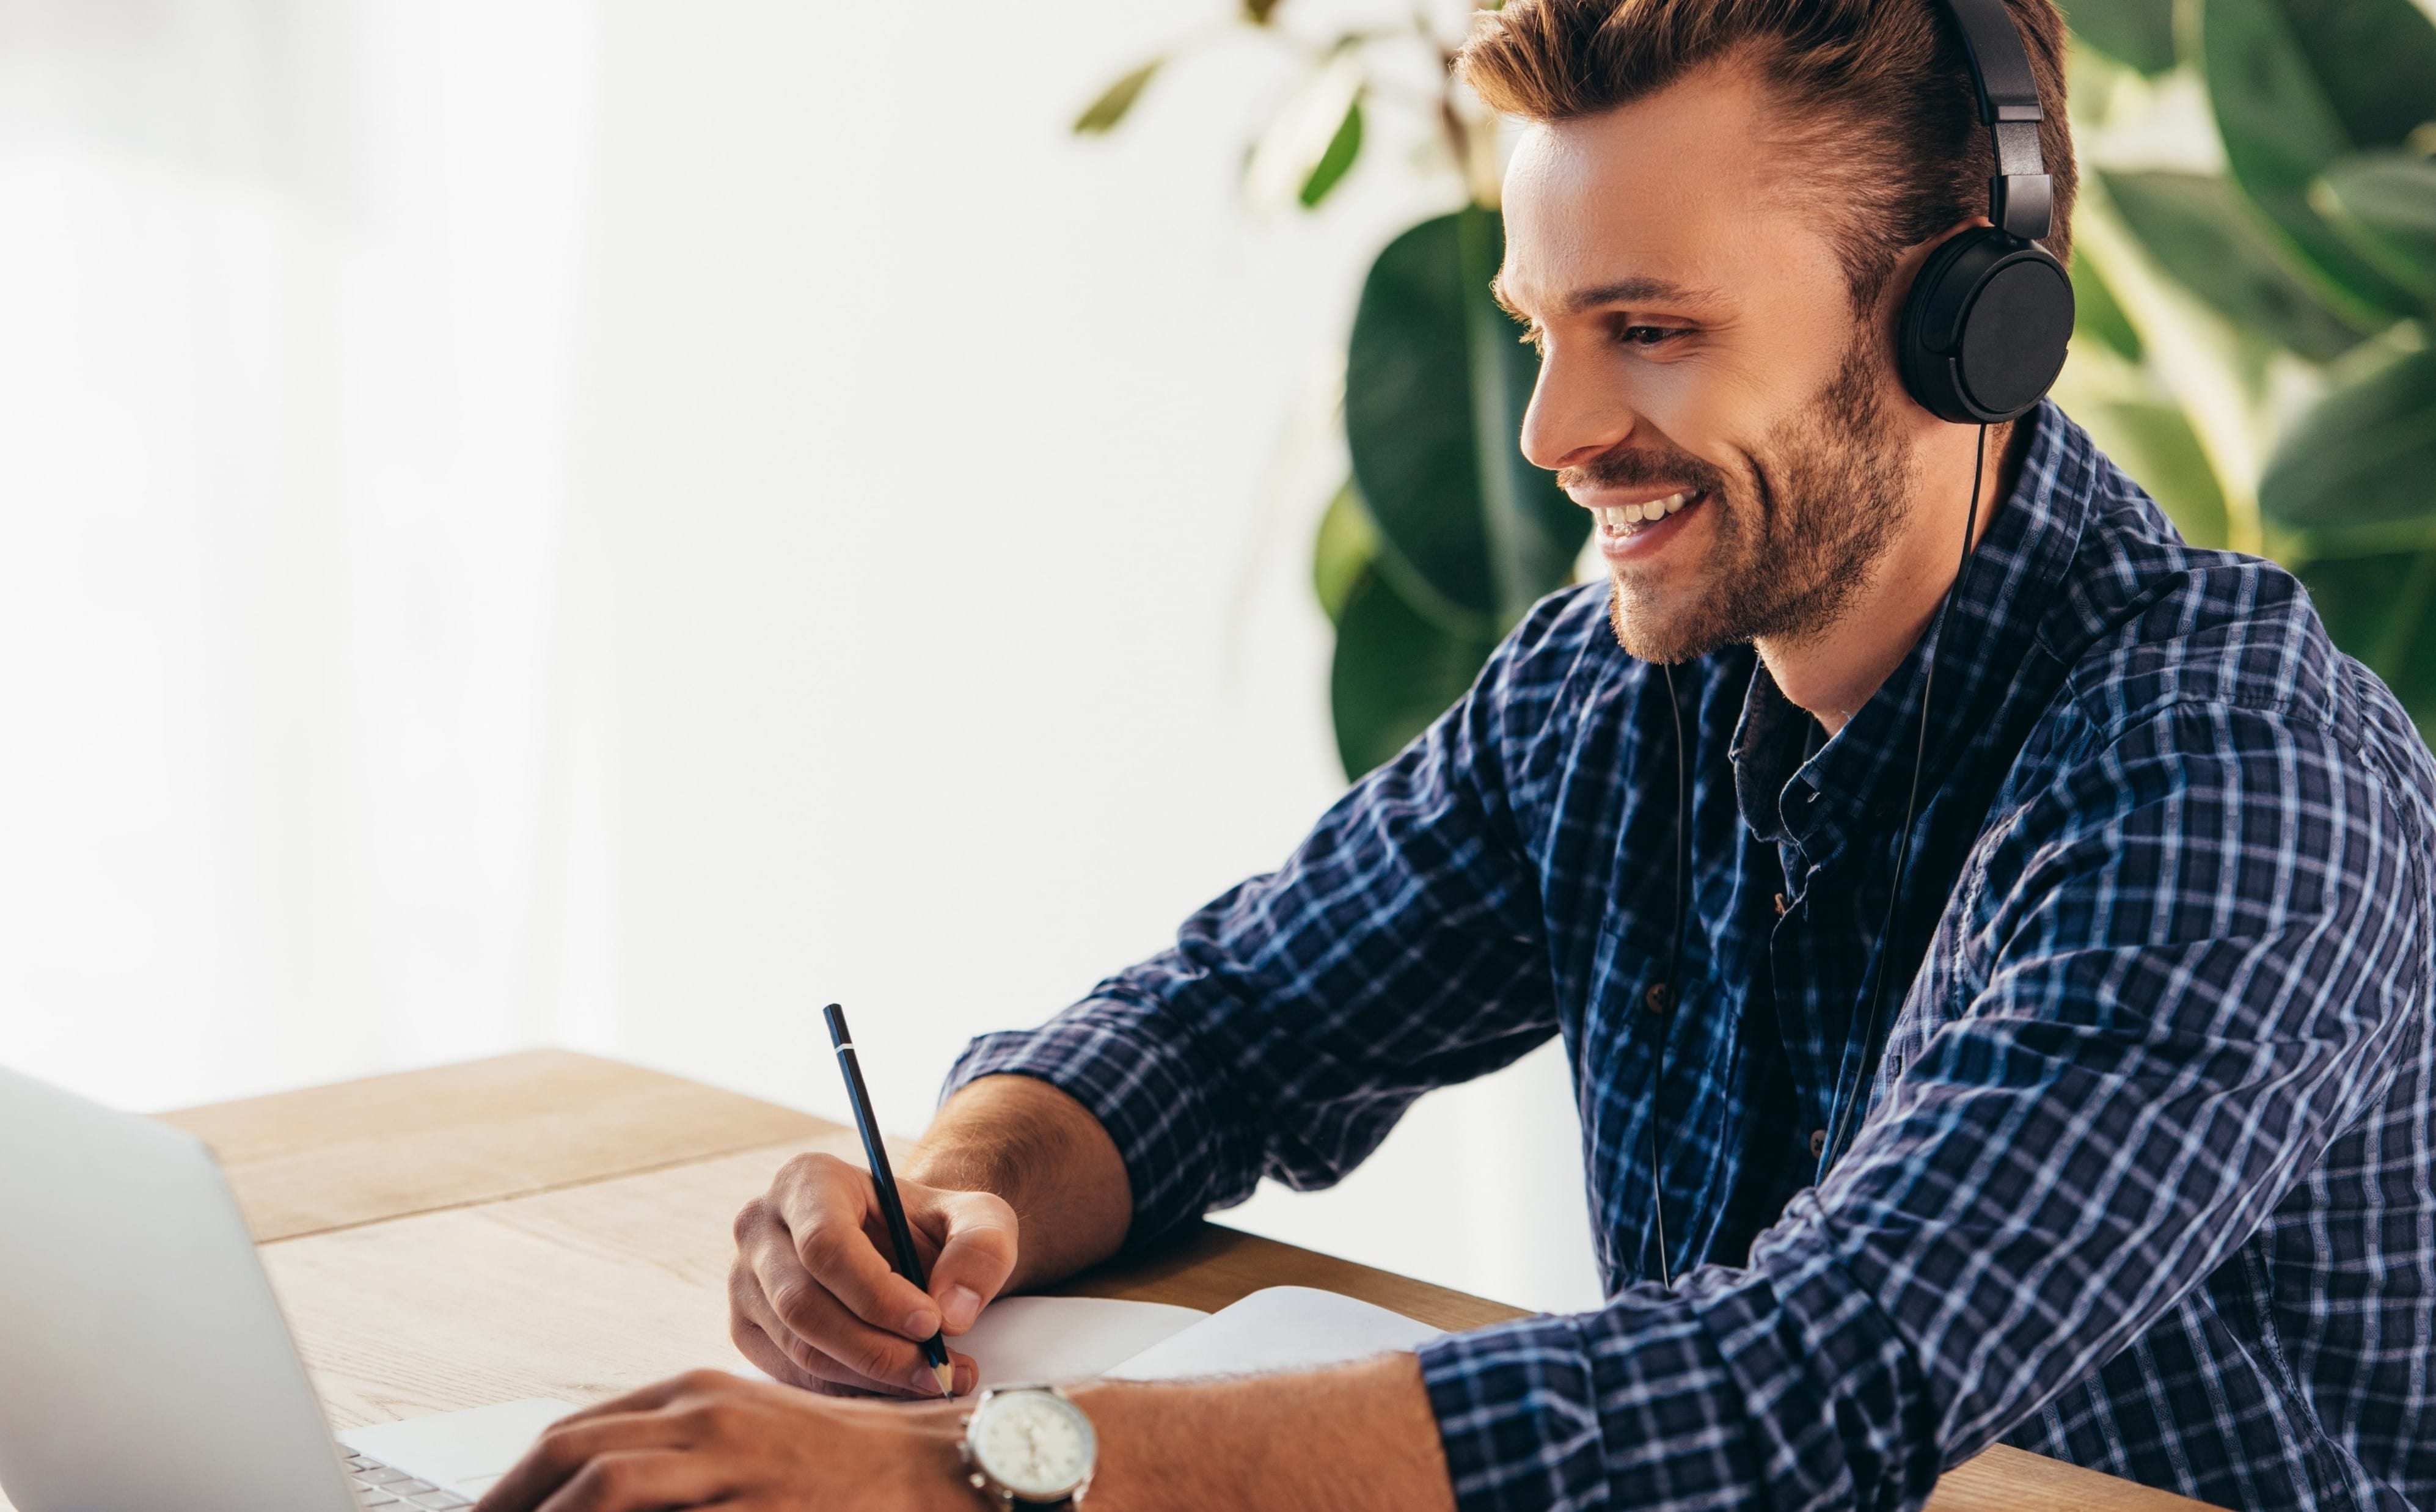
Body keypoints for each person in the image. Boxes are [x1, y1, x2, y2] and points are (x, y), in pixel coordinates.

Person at [474, 1, 2436, 1508]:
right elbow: (1231, 1025)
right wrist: (951, 1194)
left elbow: (1813, 1383)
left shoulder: (2232, 775)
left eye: (1651, 329)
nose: (1554, 431)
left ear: (1962, 328)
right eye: (1539, 332)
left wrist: (965, 1472)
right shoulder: (1618, 686)